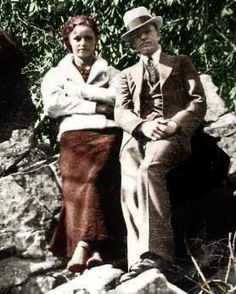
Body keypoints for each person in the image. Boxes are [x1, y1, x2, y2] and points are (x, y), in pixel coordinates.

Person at [115, 6, 207, 282]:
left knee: (149, 171)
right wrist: (142, 126)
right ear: (132, 43)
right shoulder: (126, 75)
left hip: (170, 134)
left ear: (157, 32)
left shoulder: (180, 62)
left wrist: (175, 124)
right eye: (136, 36)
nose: (143, 38)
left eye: (147, 31)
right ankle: (136, 263)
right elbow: (121, 111)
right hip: (138, 136)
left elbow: (198, 102)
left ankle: (157, 255)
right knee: (129, 185)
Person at [41, 15, 124, 273]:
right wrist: (97, 106)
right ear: (68, 41)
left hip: (107, 134)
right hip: (73, 136)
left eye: (89, 38)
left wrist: (80, 92)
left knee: (96, 178)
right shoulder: (56, 74)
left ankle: (82, 244)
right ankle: (96, 247)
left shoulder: (111, 72)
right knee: (77, 180)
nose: (83, 43)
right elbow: (53, 106)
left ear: (96, 40)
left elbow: (120, 98)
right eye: (77, 38)